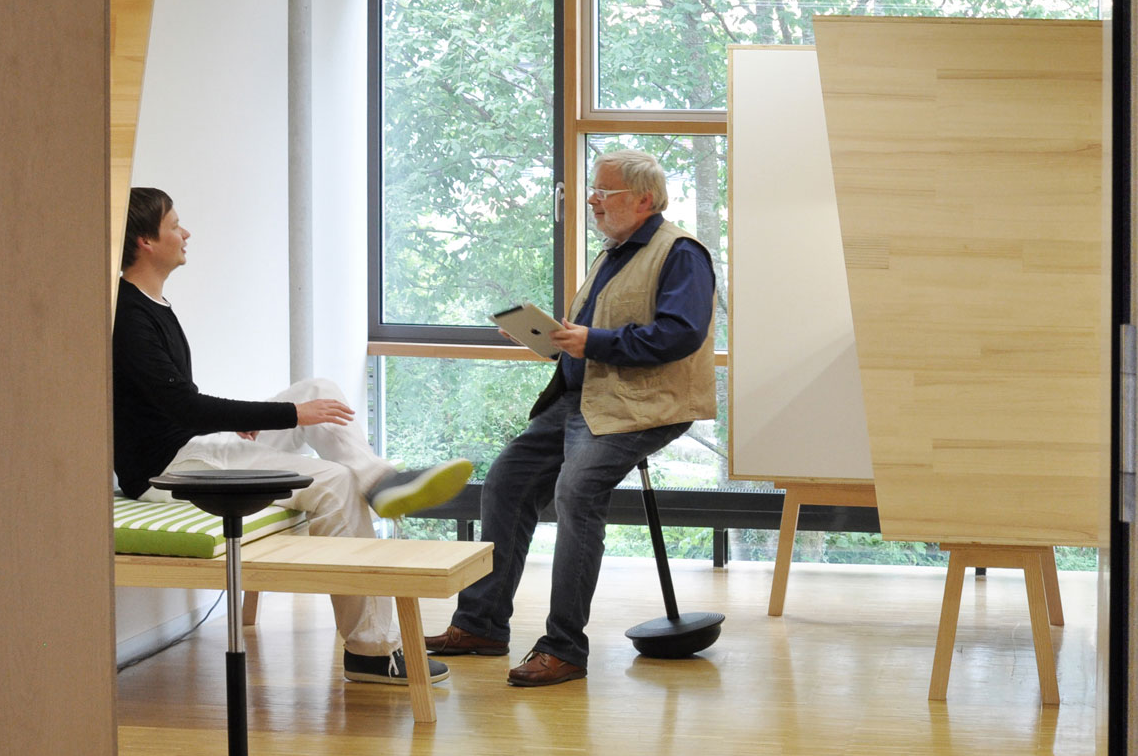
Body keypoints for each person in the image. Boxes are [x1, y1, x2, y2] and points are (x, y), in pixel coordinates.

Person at [113, 186, 472, 686]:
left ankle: (379, 479)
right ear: (147, 241)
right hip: (168, 469)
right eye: (175, 225)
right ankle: (370, 651)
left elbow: (165, 400)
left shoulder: (153, 304)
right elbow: (180, 405)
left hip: (191, 448)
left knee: (318, 389)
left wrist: (257, 417)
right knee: (334, 482)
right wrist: (287, 414)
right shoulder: (128, 316)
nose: (185, 232)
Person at [424, 149, 717, 687]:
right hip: (582, 398)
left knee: (577, 492)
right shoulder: (613, 253)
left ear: (644, 200)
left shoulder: (681, 254)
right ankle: (481, 625)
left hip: (640, 406)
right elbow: (595, 333)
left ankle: (564, 648)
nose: (592, 201)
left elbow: (681, 334)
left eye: (604, 192)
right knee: (506, 481)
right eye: (594, 190)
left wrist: (592, 341)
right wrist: (551, 337)